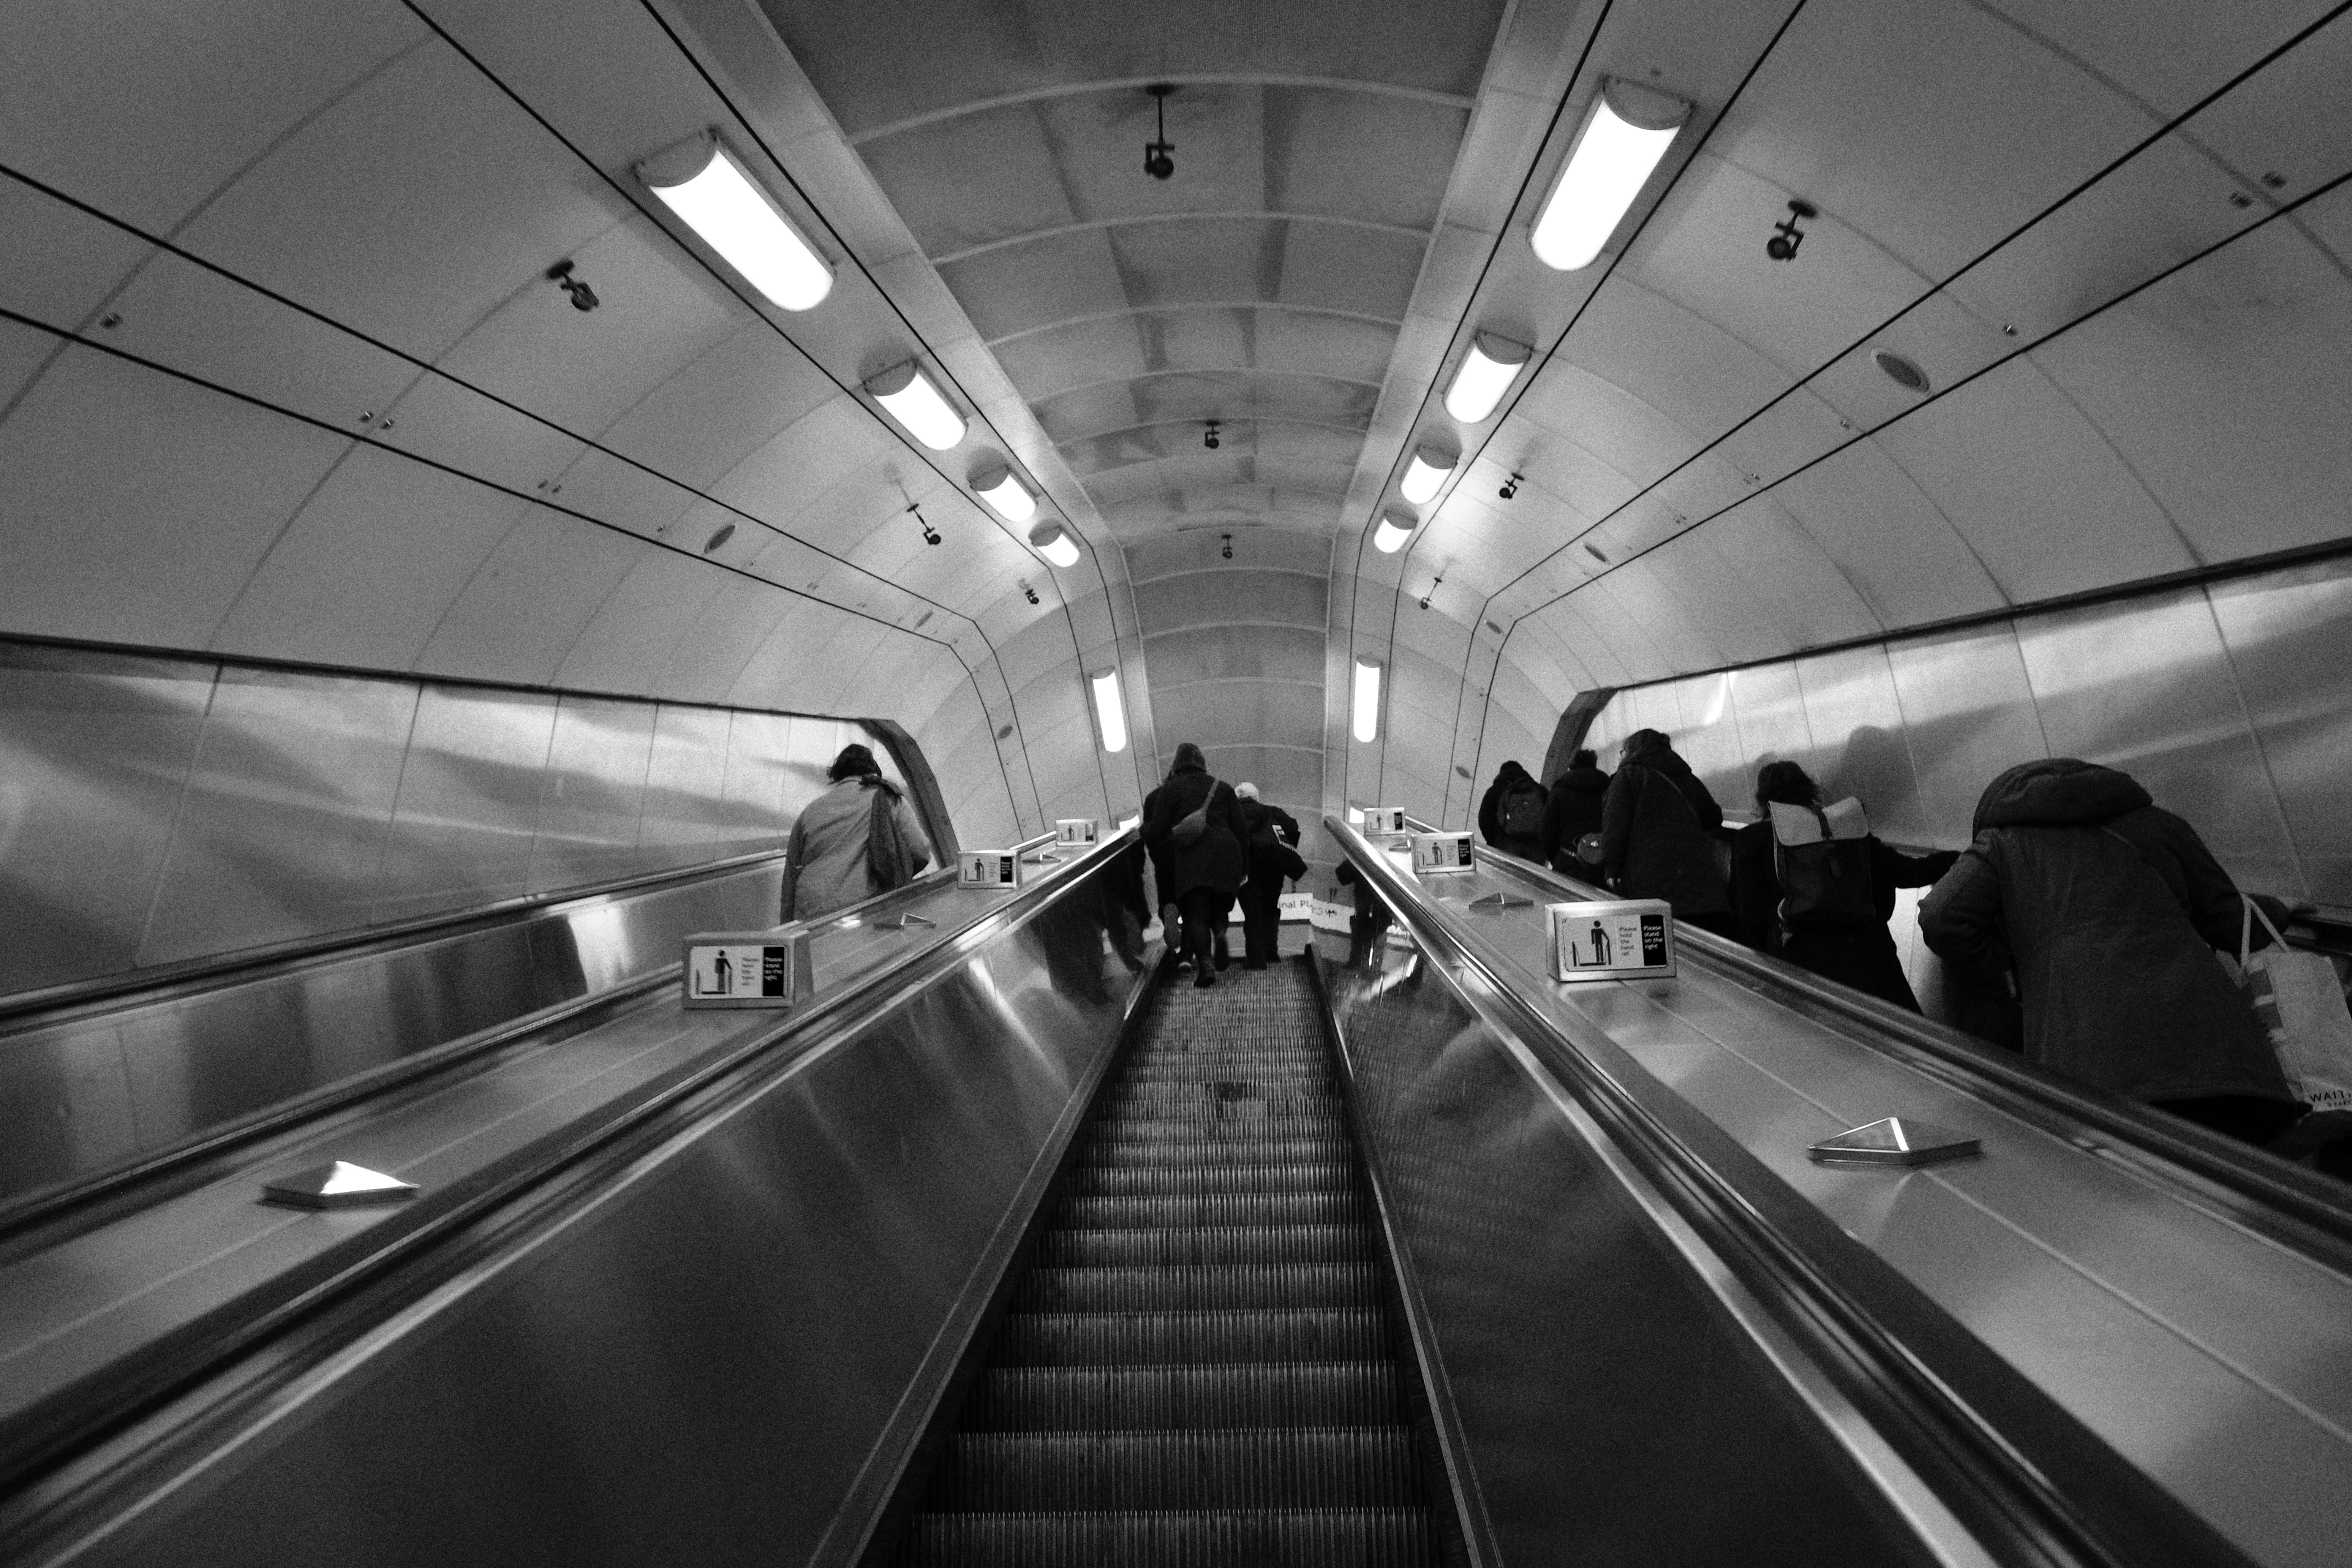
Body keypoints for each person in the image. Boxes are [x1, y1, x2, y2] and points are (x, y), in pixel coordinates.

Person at [1918, 758, 2298, 1144]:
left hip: (2091, 1060)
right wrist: (2283, 908)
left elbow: (1941, 916)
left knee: (2123, 1189)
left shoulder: (2003, 844)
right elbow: (2230, 920)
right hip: (2216, 1055)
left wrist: (2007, 980)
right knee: (2237, 1185)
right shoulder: (2161, 824)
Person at [1728, 761, 1957, 1011]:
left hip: (1800, 961)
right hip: (1869, 958)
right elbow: (1908, 873)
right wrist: (1964, 857)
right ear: (1809, 788)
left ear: (1763, 800)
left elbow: (1751, 914)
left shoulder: (1751, 840)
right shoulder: (1844, 828)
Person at [1598, 729, 1737, 939]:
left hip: (1651, 885)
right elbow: (1713, 817)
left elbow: (1615, 828)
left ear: (1632, 751)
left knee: (1656, 948)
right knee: (1702, 951)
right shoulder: (1687, 777)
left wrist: (1611, 870)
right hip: (1700, 886)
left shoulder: (1629, 776)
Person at [1141, 742, 1252, 988]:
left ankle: (1206, 967)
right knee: (1218, 906)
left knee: (1196, 914)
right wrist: (1244, 866)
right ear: (1202, 763)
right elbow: (1242, 828)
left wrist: (1143, 830)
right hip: (1227, 852)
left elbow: (1158, 829)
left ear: (1177, 765)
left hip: (1194, 855)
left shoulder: (1170, 789)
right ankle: (1221, 932)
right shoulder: (1222, 787)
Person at [781, 744, 929, 922]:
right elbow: (920, 851)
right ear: (872, 771)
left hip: (811, 911)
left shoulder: (810, 811)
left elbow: (791, 874)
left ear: (837, 775)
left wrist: (787, 928)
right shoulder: (888, 798)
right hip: (862, 908)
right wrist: (897, 876)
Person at [1234, 782, 1309, 968]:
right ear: (1256, 797)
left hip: (1246, 871)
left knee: (1253, 914)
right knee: (1270, 908)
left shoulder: (1232, 815)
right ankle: (1271, 951)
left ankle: (1256, 960)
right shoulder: (1272, 812)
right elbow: (1293, 827)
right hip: (1273, 870)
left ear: (1238, 798)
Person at [1539, 748, 1611, 874]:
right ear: (1594, 764)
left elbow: (1548, 828)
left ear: (1571, 766)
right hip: (1600, 863)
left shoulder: (1560, 789)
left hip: (1568, 860)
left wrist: (1556, 858)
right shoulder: (1607, 788)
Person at [1479, 760, 1548, 860]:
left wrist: (1494, 841)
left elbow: (1484, 819)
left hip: (1506, 844)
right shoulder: (1539, 790)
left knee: (1505, 875)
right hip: (1535, 847)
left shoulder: (1496, 790)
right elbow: (1551, 819)